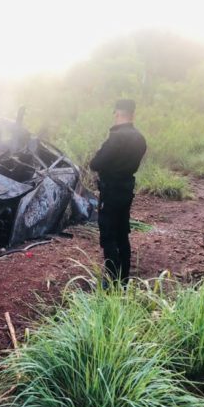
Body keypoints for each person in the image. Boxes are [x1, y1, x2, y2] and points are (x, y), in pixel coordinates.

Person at [89, 99, 147, 284]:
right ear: (133, 114)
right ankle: (124, 279)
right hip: (126, 189)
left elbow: (95, 164)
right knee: (122, 233)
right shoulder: (139, 138)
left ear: (117, 113)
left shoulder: (116, 138)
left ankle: (112, 280)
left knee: (108, 235)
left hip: (111, 191)